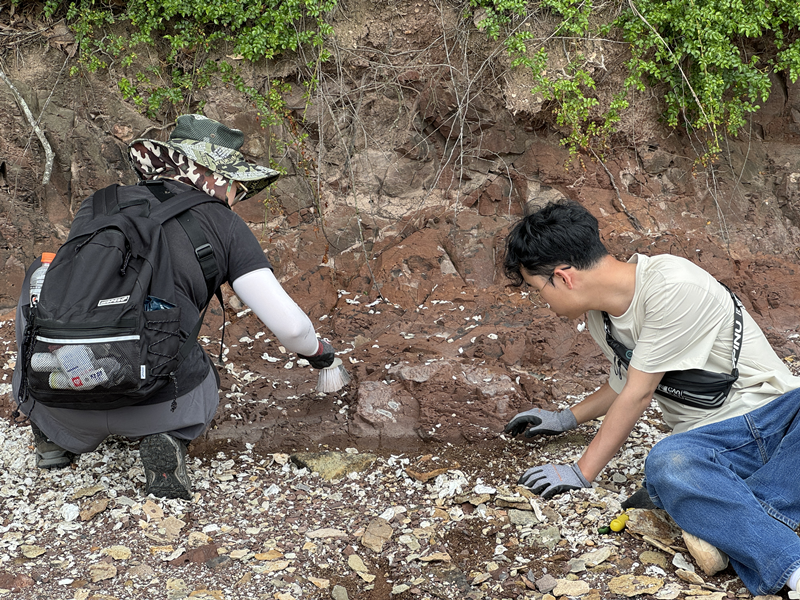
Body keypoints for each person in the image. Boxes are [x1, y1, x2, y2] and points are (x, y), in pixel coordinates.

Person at [12, 114, 338, 500]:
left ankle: (52, 438)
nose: (238, 195)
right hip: (160, 405)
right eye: (237, 184)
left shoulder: (99, 206)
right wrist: (321, 354)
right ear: (215, 176)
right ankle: (165, 438)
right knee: (201, 369)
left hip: (57, 397)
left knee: (41, 285)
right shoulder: (222, 222)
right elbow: (291, 328)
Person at [501, 199, 800, 597]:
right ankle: (765, 545)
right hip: (713, 444)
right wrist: (565, 418)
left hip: (777, 417)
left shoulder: (673, 285)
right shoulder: (601, 316)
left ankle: (725, 522)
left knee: (672, 474)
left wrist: (581, 471)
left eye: (539, 289)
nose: (543, 300)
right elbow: (624, 381)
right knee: (669, 462)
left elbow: (639, 394)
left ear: (563, 277)